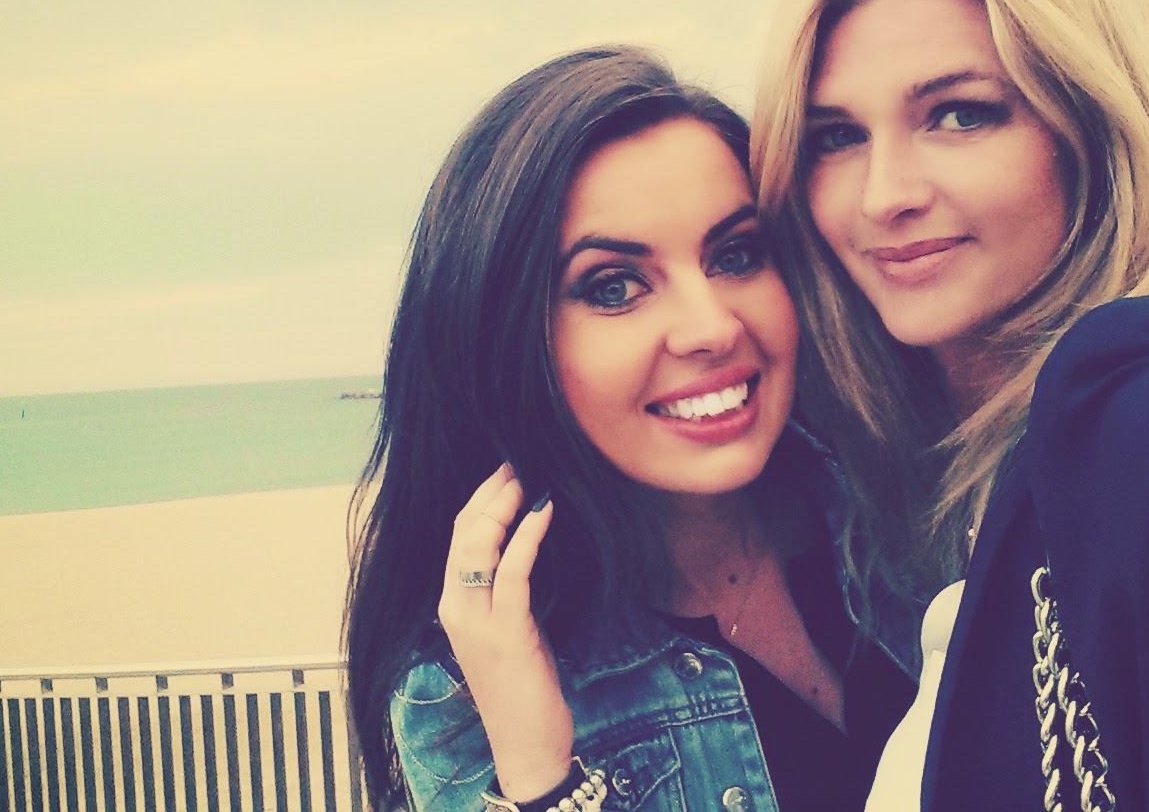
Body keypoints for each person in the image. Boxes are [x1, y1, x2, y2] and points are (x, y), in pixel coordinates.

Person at [751, 0, 1149, 811]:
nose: (884, 195)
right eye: (836, 137)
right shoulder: (904, 499)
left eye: (960, 114)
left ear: (1093, 127)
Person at [345, 46, 914, 812]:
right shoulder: (469, 685)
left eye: (736, 254)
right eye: (615, 287)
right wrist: (539, 776)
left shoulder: (914, 510)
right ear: (508, 343)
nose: (712, 327)